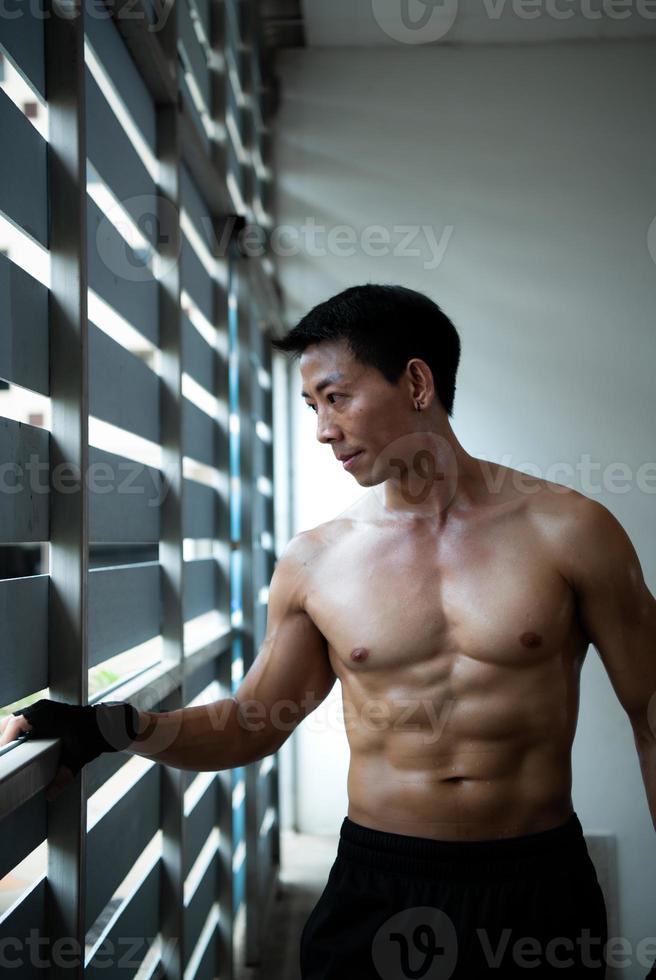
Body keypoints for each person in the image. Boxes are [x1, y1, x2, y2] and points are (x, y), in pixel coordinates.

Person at [2, 283, 655, 978]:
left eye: (336, 397)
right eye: (311, 407)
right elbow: (252, 722)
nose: (321, 430)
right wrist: (114, 727)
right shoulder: (317, 559)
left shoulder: (571, 532)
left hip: (536, 886)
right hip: (379, 883)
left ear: (416, 381)